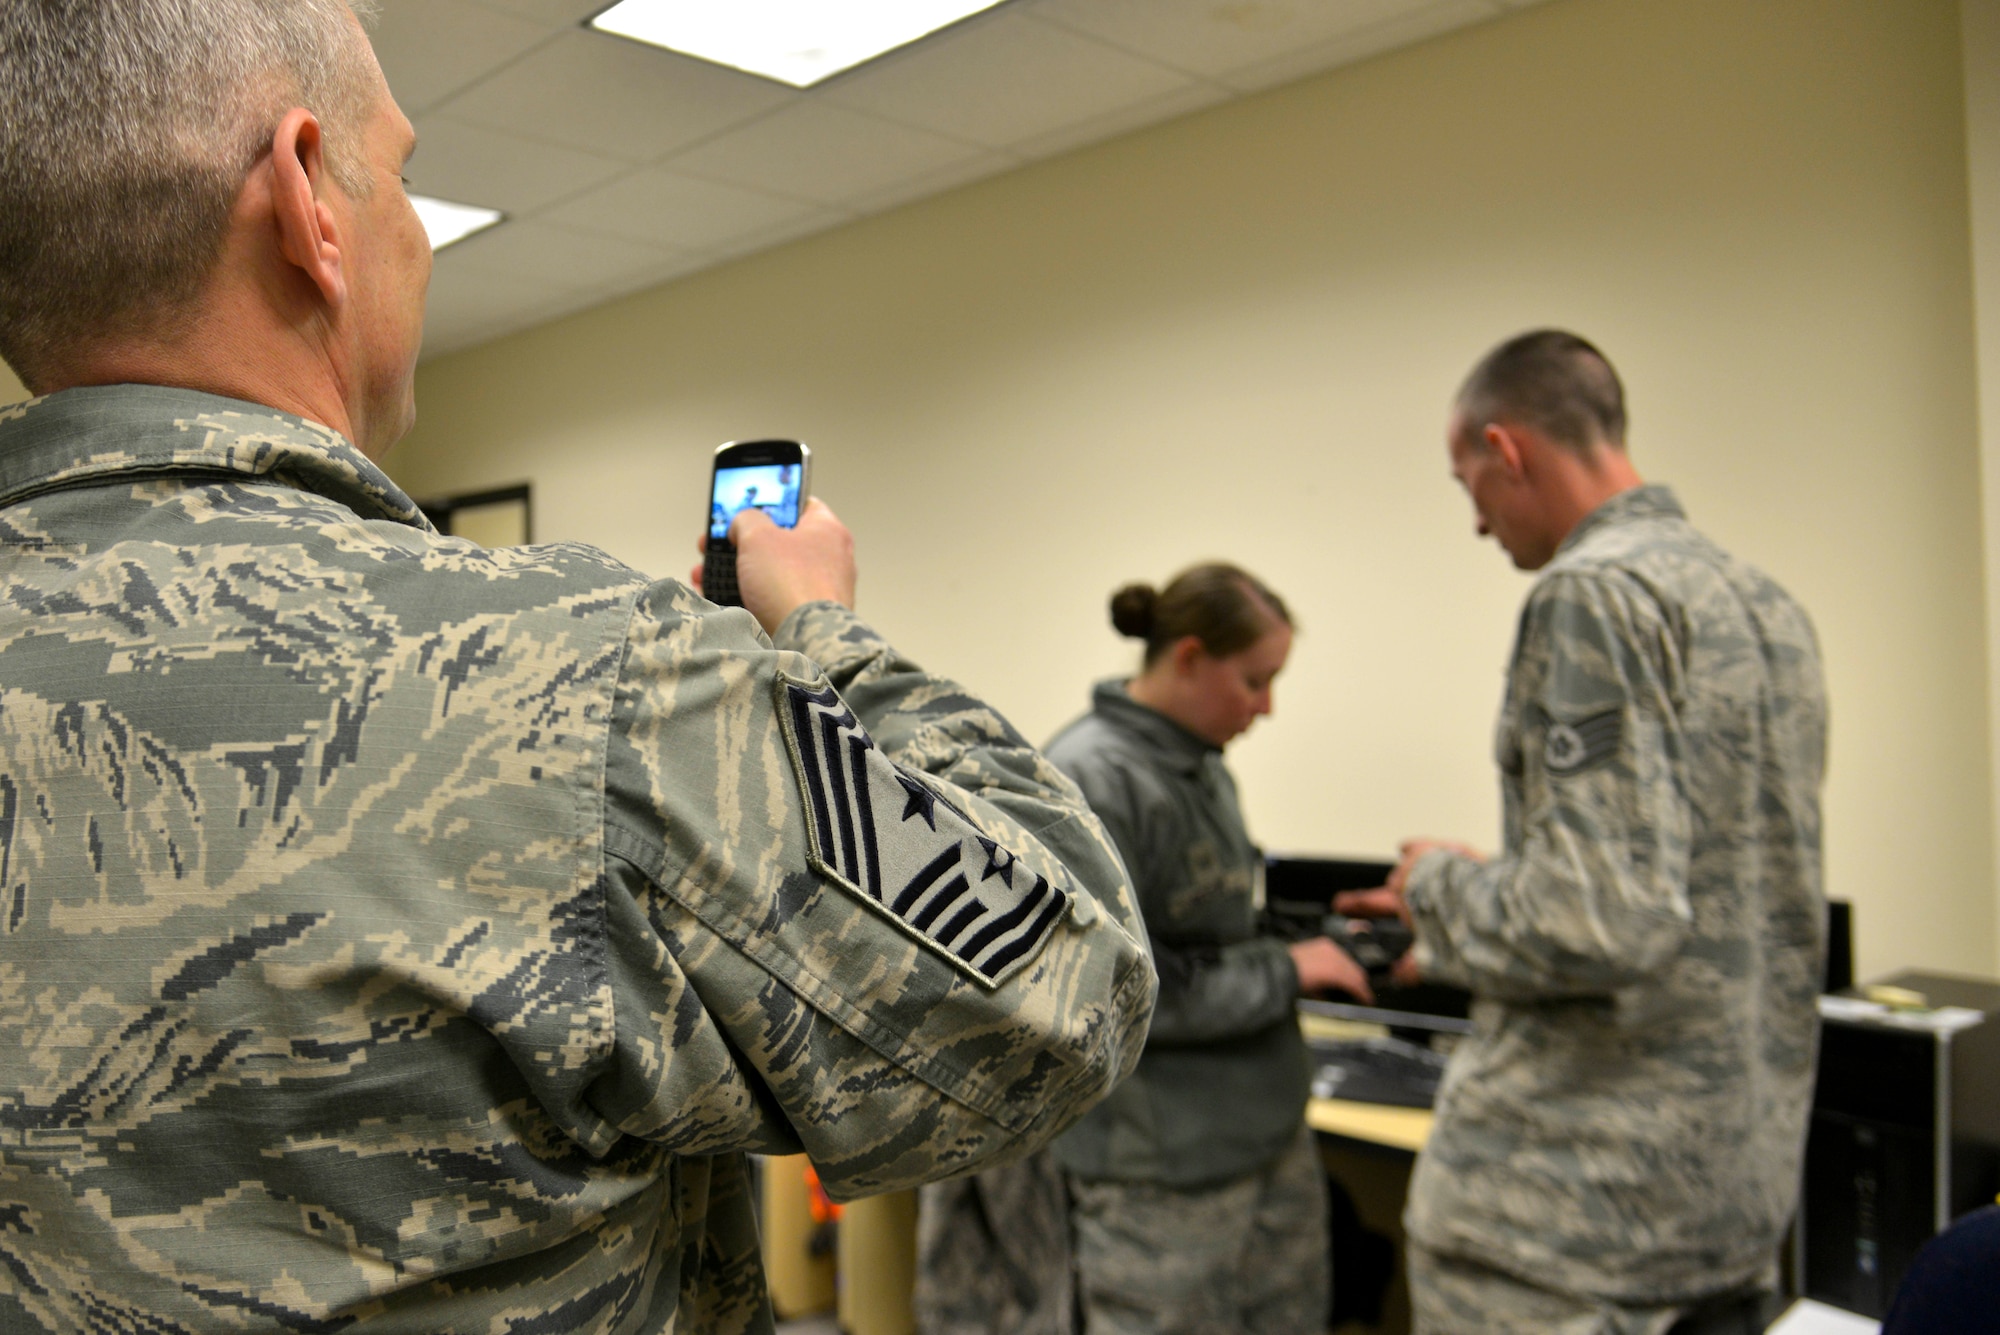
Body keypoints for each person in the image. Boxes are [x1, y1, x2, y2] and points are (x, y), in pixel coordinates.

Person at [0, 3, 1154, 1332]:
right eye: (406, 172)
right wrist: (818, 646)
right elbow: (1067, 988)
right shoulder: (587, 675)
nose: (416, 233)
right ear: (308, 192)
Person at [1339, 331, 1827, 1334]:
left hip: (1564, 1225)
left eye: (1465, 481)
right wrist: (1507, 877)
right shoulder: (1768, 608)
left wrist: (1435, 885)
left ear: (1503, 448)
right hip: (1724, 1200)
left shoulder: (1589, 594)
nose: (1474, 521)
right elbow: (1688, 884)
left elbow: (1598, 918)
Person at [918, 565, 1372, 1335]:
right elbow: (1116, 993)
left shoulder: (1199, 762)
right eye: (1255, 680)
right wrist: (1288, 970)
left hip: (1261, 1133)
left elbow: (1208, 929)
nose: (1267, 707)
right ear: (1189, 657)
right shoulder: (1095, 777)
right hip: (1162, 1170)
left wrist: (1301, 944)